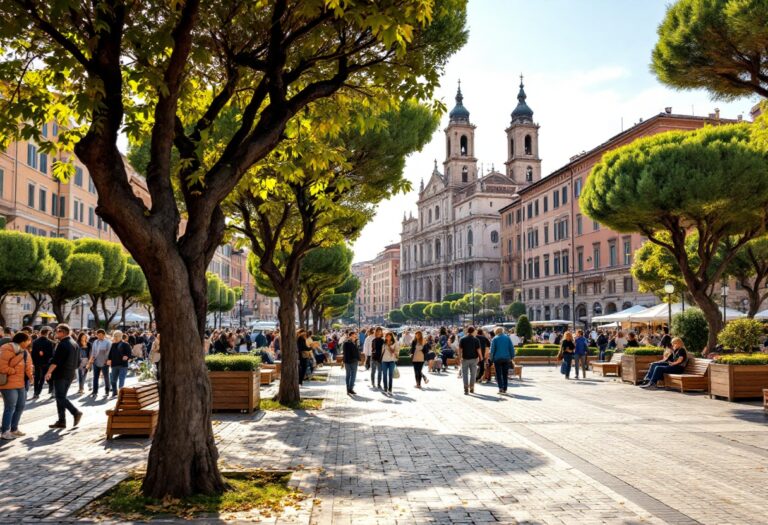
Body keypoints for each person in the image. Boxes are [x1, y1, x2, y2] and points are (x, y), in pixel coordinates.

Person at [44, 324, 83, 429]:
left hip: (61, 374)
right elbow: (78, 362)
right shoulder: (74, 343)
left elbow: (56, 361)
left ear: (63, 332)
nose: (56, 333)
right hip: (69, 374)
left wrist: (48, 372)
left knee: (60, 397)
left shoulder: (63, 344)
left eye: (58, 331)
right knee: (61, 397)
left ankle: (75, 412)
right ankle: (62, 421)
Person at [0, 332, 34, 439]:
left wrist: (31, 377)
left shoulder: (25, 351)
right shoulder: (6, 348)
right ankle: (5, 432)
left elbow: (28, 366)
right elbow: (1, 366)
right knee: (10, 407)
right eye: (28, 340)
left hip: (21, 384)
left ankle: (14, 429)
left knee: (20, 406)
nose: (29, 342)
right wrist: (13, 371)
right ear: (23, 341)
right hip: (8, 384)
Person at [31, 326, 55, 399]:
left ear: (40, 333)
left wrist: (34, 362)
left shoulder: (35, 342)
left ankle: (36, 392)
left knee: (37, 377)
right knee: (44, 377)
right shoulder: (50, 342)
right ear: (47, 334)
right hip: (46, 362)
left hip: (37, 362)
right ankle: (50, 388)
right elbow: (51, 354)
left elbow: (33, 353)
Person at [490, 327, 515, 394]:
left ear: (496, 331)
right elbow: (511, 348)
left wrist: (491, 359)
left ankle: (500, 388)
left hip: (497, 359)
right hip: (506, 358)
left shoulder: (495, 339)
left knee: (498, 374)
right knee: (505, 374)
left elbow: (492, 350)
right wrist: (512, 356)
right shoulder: (507, 338)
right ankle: (505, 388)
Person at [106, 330, 132, 396]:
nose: (116, 337)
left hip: (123, 365)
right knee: (113, 380)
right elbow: (110, 354)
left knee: (121, 379)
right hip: (114, 365)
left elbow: (130, 354)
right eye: (115, 336)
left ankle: (120, 393)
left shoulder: (125, 344)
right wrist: (109, 360)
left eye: (117, 336)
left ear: (121, 336)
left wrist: (127, 357)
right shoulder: (113, 345)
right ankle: (115, 392)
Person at [88, 329, 112, 398]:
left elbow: (109, 352)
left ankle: (107, 390)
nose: (99, 336)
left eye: (101, 335)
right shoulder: (95, 342)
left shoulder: (108, 342)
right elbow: (93, 352)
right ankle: (95, 391)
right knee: (95, 377)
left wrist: (107, 360)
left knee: (106, 377)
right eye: (98, 335)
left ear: (104, 335)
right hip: (96, 361)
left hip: (104, 362)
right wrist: (91, 361)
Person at [459, 326, 482, 395]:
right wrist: (481, 357)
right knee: (473, 374)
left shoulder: (462, 339)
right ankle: (472, 387)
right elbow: (478, 350)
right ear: (473, 331)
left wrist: (460, 358)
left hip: (465, 359)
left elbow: (460, 350)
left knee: (465, 374)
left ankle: (466, 388)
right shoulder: (476, 339)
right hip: (474, 359)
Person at [342, 330, 359, 395]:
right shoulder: (346, 343)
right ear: (350, 336)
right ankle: (348, 388)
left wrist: (358, 358)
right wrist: (344, 361)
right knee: (348, 375)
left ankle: (350, 388)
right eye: (354, 335)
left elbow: (356, 351)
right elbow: (345, 353)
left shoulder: (356, 342)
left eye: (355, 335)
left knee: (353, 375)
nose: (355, 336)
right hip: (348, 361)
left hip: (354, 361)